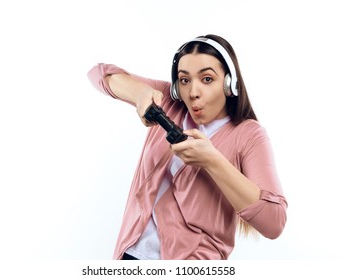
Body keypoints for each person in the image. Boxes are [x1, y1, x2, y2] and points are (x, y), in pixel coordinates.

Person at [87, 34, 287, 260]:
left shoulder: (249, 134)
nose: (193, 92)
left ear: (229, 83)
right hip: (131, 255)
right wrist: (141, 93)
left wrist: (213, 161)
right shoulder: (169, 102)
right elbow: (98, 74)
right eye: (184, 80)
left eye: (207, 79)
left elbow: (274, 222)